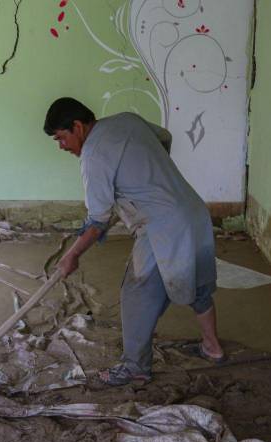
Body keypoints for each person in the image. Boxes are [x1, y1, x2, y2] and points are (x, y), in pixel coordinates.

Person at [44, 97, 225, 386]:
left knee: (137, 293)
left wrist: (72, 255)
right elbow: (164, 137)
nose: (61, 146)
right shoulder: (127, 119)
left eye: (61, 138)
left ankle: (134, 367)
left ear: (77, 127)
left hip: (162, 226)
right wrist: (147, 174)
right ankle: (212, 347)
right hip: (192, 211)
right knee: (198, 285)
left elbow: (97, 220)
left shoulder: (93, 155)